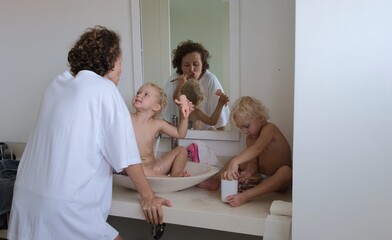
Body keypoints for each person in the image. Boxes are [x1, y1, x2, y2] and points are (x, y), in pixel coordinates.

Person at [7, 26, 171, 240]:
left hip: (25, 199)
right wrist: (149, 197)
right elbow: (127, 158)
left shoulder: (57, 85)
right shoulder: (105, 89)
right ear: (110, 62)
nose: (121, 70)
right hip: (64, 208)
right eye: (121, 63)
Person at [198, 96, 292, 207]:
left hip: (280, 180)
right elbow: (253, 162)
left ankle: (247, 196)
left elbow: (257, 148)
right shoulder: (250, 139)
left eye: (246, 126)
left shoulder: (270, 129)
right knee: (234, 159)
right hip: (262, 177)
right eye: (241, 128)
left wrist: (235, 162)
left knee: (286, 171)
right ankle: (215, 181)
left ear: (260, 117)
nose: (244, 131)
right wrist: (248, 172)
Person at [164, 40, 230, 130]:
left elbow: (219, 124)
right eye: (186, 65)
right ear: (180, 66)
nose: (191, 69)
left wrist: (220, 103)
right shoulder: (174, 80)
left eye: (196, 64)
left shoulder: (211, 80)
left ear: (203, 64)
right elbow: (166, 118)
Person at [130, 82, 194, 177]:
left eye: (146, 94)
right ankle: (167, 180)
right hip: (134, 169)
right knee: (131, 166)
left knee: (182, 150)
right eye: (139, 92)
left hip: (153, 168)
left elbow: (180, 134)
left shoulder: (158, 123)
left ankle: (175, 174)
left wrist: (185, 117)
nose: (139, 95)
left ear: (156, 107)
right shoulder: (126, 118)